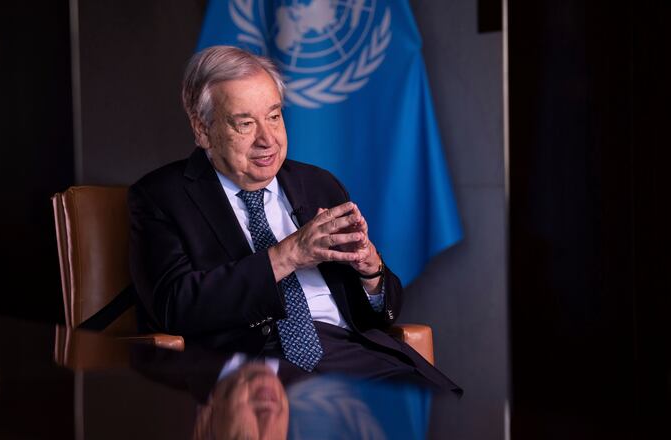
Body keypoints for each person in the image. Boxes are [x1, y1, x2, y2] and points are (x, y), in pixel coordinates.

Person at [129, 45, 461, 394]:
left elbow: (375, 317)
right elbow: (174, 307)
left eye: (274, 116)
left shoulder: (318, 184)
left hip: (352, 357)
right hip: (254, 372)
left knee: (440, 411)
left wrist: (370, 271)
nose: (267, 139)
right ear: (202, 130)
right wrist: (287, 255)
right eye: (245, 123)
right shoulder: (161, 196)